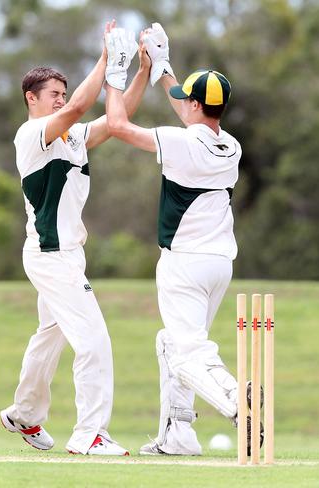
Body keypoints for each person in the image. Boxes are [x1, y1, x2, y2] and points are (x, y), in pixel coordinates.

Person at [0, 22, 145, 456]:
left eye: (62, 94)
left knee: (50, 336)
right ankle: (90, 434)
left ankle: (23, 415)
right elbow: (82, 106)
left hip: (66, 254)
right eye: (53, 95)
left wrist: (141, 70)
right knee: (94, 340)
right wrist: (106, 59)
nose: (61, 100)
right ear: (32, 98)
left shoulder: (71, 136)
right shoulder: (31, 135)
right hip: (51, 253)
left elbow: (118, 118)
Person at [104, 23, 249, 455]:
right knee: (172, 342)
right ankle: (179, 434)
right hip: (218, 265)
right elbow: (187, 110)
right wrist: (163, 67)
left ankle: (235, 400)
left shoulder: (180, 142)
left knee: (188, 354)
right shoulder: (232, 147)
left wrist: (119, 71)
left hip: (184, 263)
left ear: (194, 103)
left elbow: (116, 124)